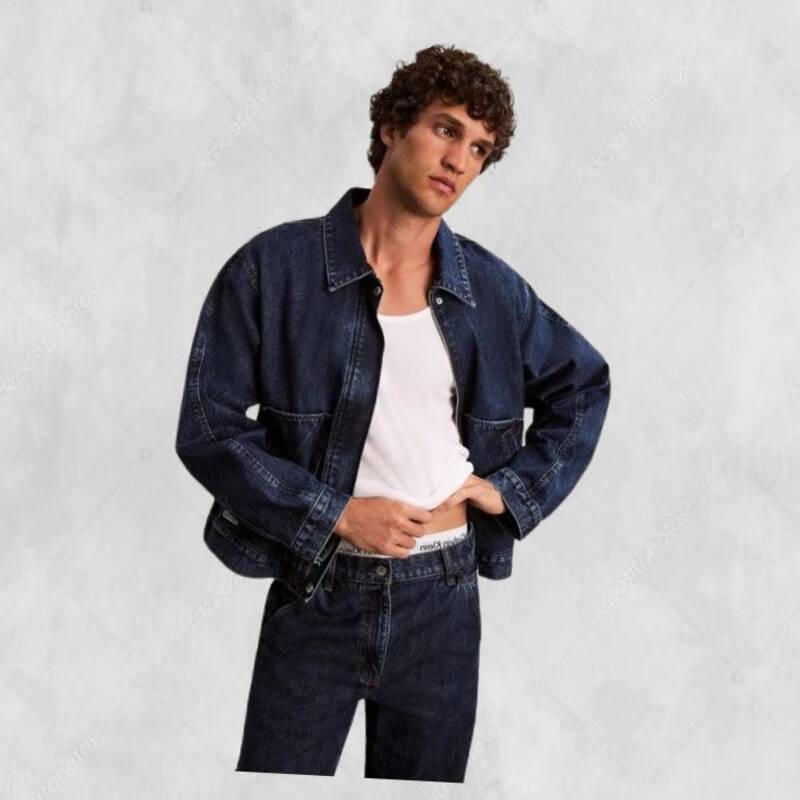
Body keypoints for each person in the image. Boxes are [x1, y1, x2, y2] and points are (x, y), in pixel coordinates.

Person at [174, 44, 611, 782]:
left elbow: (584, 385)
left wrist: (511, 490)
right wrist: (336, 513)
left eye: (480, 148)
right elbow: (208, 425)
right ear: (391, 128)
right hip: (317, 589)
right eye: (446, 129)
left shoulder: (490, 290)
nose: (460, 160)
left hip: (444, 598)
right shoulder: (274, 268)